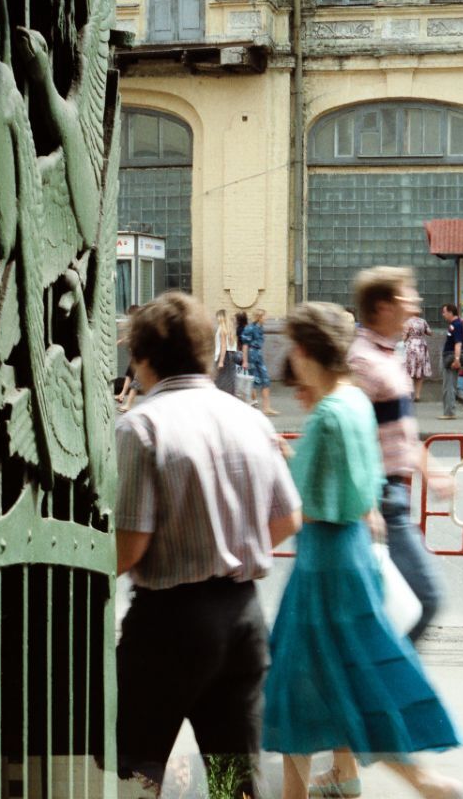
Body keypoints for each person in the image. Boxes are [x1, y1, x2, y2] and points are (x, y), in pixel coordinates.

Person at [263, 302, 463, 799]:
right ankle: (396, 779)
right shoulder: (353, 401)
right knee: (345, 678)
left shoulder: (327, 416)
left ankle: (420, 781)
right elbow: (349, 482)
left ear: (304, 350)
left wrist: (249, 551)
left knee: (301, 684)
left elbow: (303, 508)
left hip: (322, 567)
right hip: (351, 552)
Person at [114, 291, 302, 797]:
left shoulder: (141, 426)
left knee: (136, 769)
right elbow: (288, 517)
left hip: (168, 627)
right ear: (209, 354)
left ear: (144, 358)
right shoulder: (250, 418)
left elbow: (130, 547)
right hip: (242, 620)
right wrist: (230, 546)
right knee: (234, 778)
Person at [312, 267, 456, 798]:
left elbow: (399, 434)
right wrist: (367, 500)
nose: (416, 302)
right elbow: (348, 436)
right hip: (377, 504)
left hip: (393, 499)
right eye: (407, 296)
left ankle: (348, 756)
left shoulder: (387, 357)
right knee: (420, 604)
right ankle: (372, 707)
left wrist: (429, 469)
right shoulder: (361, 362)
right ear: (383, 305)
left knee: (386, 624)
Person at [241, 308, 279, 416]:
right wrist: (245, 361)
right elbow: (245, 345)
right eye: (265, 316)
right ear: (259, 317)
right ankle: (252, 406)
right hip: (251, 355)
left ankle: (266, 408)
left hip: (258, 355)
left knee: (265, 379)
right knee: (252, 382)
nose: (266, 318)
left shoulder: (260, 327)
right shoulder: (249, 328)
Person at [440, 304, 463, 420]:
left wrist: (457, 360)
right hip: (450, 357)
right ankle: (449, 411)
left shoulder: (457, 325)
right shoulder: (454, 324)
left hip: (451, 358)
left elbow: (458, 344)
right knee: (449, 385)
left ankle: (449, 413)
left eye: (444, 312)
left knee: (449, 386)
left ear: (450, 312)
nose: (443, 314)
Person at [403, 311, 432, 401]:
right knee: (419, 371)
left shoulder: (407, 322)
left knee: (408, 371)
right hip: (421, 347)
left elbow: (404, 336)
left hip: (410, 347)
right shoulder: (423, 321)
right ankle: (417, 395)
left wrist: (402, 343)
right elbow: (430, 333)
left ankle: (408, 394)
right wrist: (422, 332)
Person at [214, 308, 238, 395]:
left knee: (220, 380)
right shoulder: (230, 329)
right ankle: (230, 396)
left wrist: (221, 361)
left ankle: (221, 397)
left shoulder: (222, 329)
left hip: (224, 356)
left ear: (220, 317)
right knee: (230, 379)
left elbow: (223, 346)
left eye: (217, 317)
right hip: (231, 355)